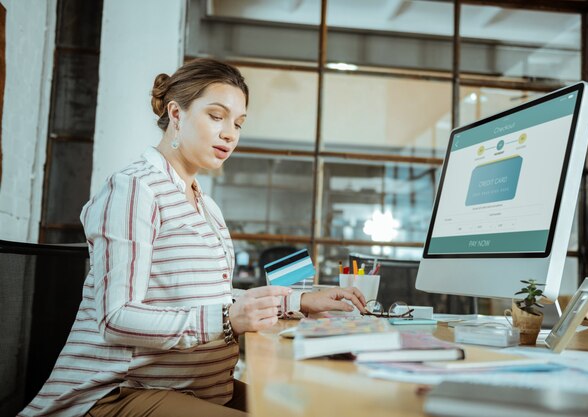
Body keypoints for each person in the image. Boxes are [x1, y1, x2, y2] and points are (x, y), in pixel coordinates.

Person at [20, 58, 366, 417]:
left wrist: (298, 300)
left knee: (310, 410)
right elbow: (116, 318)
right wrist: (226, 321)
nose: (230, 133)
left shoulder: (205, 205)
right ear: (177, 114)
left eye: (238, 123)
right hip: (117, 393)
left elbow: (207, 297)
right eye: (216, 116)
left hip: (194, 391)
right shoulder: (134, 189)